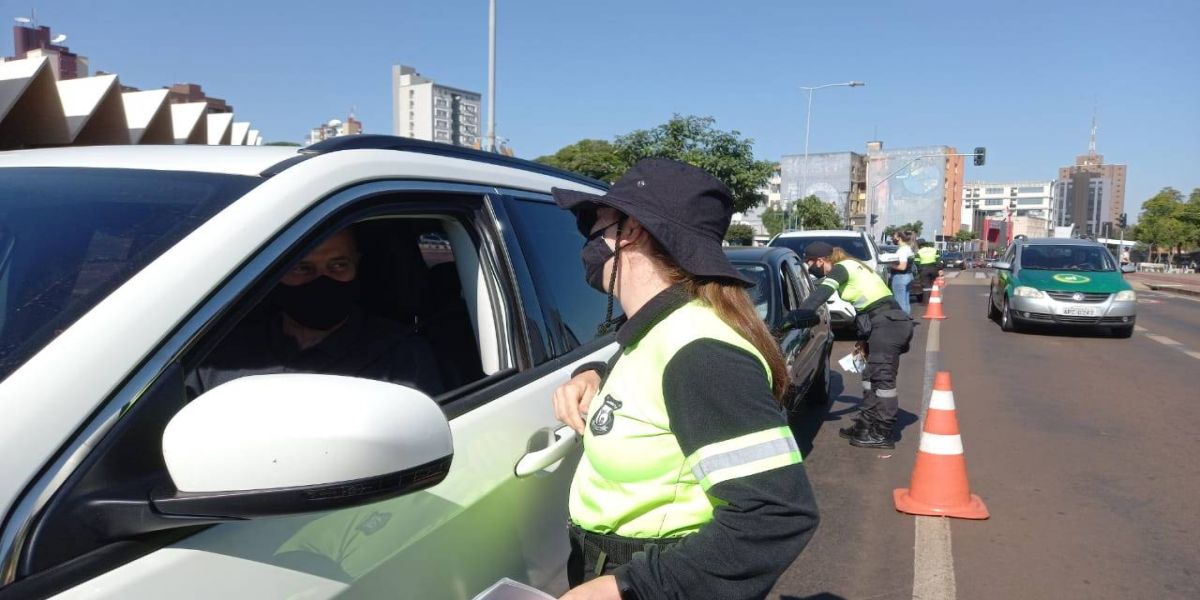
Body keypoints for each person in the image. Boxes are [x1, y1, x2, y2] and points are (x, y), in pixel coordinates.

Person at [550, 158, 819, 600]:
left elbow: (776, 515)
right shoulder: (660, 328)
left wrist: (627, 587)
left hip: (657, 582)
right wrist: (594, 374)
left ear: (630, 231)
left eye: (594, 225)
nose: (589, 241)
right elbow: (654, 388)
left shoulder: (702, 352)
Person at [192, 228, 443, 395]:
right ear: (277, 274)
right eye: (302, 268)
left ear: (356, 266)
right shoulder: (222, 353)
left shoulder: (399, 356)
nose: (322, 280)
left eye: (338, 265)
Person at [795, 241, 914, 449]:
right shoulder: (854, 265)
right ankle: (866, 425)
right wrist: (863, 338)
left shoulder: (841, 268)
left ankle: (882, 433)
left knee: (882, 380)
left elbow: (821, 294)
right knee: (869, 376)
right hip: (881, 323)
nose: (810, 267)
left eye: (810, 263)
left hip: (889, 324)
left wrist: (798, 315)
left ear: (821, 260)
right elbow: (867, 306)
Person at [889, 230, 916, 314]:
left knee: (900, 302)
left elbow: (902, 266)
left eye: (894, 236)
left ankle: (903, 319)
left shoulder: (902, 250)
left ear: (899, 238)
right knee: (906, 301)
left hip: (900, 277)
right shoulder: (908, 248)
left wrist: (890, 265)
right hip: (908, 276)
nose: (893, 238)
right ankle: (907, 318)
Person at [913, 239, 943, 304]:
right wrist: (939, 269)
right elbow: (939, 260)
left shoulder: (919, 252)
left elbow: (916, 262)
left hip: (924, 270)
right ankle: (935, 299)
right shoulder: (934, 250)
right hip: (934, 269)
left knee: (926, 286)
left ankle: (926, 302)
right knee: (933, 284)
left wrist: (920, 269)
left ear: (919, 245)